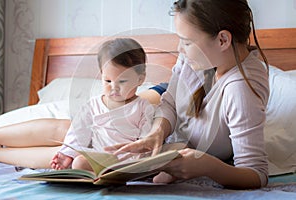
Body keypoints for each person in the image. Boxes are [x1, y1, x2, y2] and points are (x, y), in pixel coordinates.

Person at [105, 0, 269, 189]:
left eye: (187, 42)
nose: (180, 49)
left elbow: (256, 173)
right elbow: (170, 102)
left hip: (188, 118)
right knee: (108, 112)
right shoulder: (198, 58)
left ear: (223, 40)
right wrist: (157, 132)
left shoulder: (240, 90)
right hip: (173, 99)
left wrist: (208, 167)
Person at [0, 38, 167, 169]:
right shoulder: (94, 105)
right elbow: (78, 131)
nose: (113, 87)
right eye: (107, 80)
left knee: (75, 156)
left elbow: (147, 136)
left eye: (122, 81)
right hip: (96, 145)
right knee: (69, 138)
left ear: (140, 79)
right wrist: (67, 153)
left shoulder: (144, 106)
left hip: (123, 156)